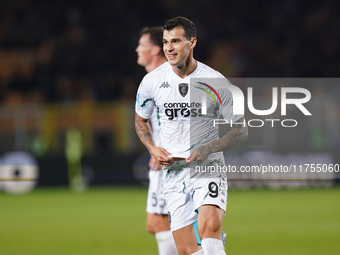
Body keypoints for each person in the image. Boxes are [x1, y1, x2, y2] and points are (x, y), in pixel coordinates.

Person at [135, 17, 248, 255]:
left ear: (192, 42)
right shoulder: (152, 81)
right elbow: (140, 119)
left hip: (208, 166)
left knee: (209, 231)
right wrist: (152, 148)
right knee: (187, 250)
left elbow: (240, 129)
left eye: (176, 41)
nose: (169, 48)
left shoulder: (215, 81)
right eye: (166, 42)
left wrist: (208, 148)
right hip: (173, 172)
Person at [136, 26, 178, 255]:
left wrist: (161, 149)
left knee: (160, 223)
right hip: (161, 157)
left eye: (141, 46)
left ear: (154, 50)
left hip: (167, 160)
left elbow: (175, 116)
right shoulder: (152, 79)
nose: (137, 49)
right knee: (158, 224)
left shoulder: (167, 78)